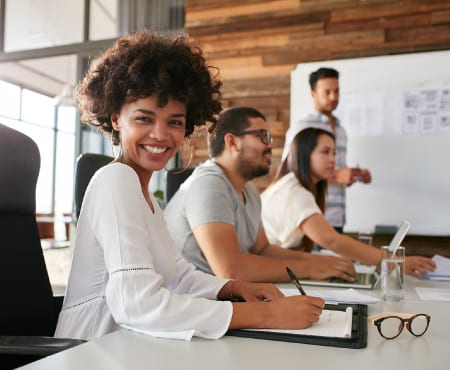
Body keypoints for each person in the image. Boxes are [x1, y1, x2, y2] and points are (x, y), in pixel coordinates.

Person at [54, 30, 325, 341]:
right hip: (92, 350)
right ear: (116, 118)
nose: (160, 134)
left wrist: (233, 288)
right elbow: (137, 303)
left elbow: (177, 276)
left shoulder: (145, 196)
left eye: (174, 122)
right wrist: (266, 315)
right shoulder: (116, 180)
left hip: (131, 344)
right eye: (144, 118)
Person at [164, 106, 356, 284]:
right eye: (262, 136)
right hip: (191, 305)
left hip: (220, 299)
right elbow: (231, 270)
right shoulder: (208, 185)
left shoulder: (249, 191)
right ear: (232, 142)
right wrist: (308, 268)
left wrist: (320, 261)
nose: (271, 143)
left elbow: (262, 250)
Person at [262, 127, 436, 277]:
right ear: (304, 154)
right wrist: (393, 261)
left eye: (334, 153)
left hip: (275, 268)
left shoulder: (293, 185)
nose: (333, 159)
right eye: (325, 152)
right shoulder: (294, 192)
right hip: (267, 272)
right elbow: (331, 240)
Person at [282, 67, 371, 233]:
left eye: (337, 91)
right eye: (327, 92)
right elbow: (288, 170)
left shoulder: (341, 130)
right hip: (310, 216)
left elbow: (332, 170)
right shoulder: (302, 127)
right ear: (313, 94)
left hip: (337, 217)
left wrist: (353, 176)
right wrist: (336, 175)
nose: (334, 97)